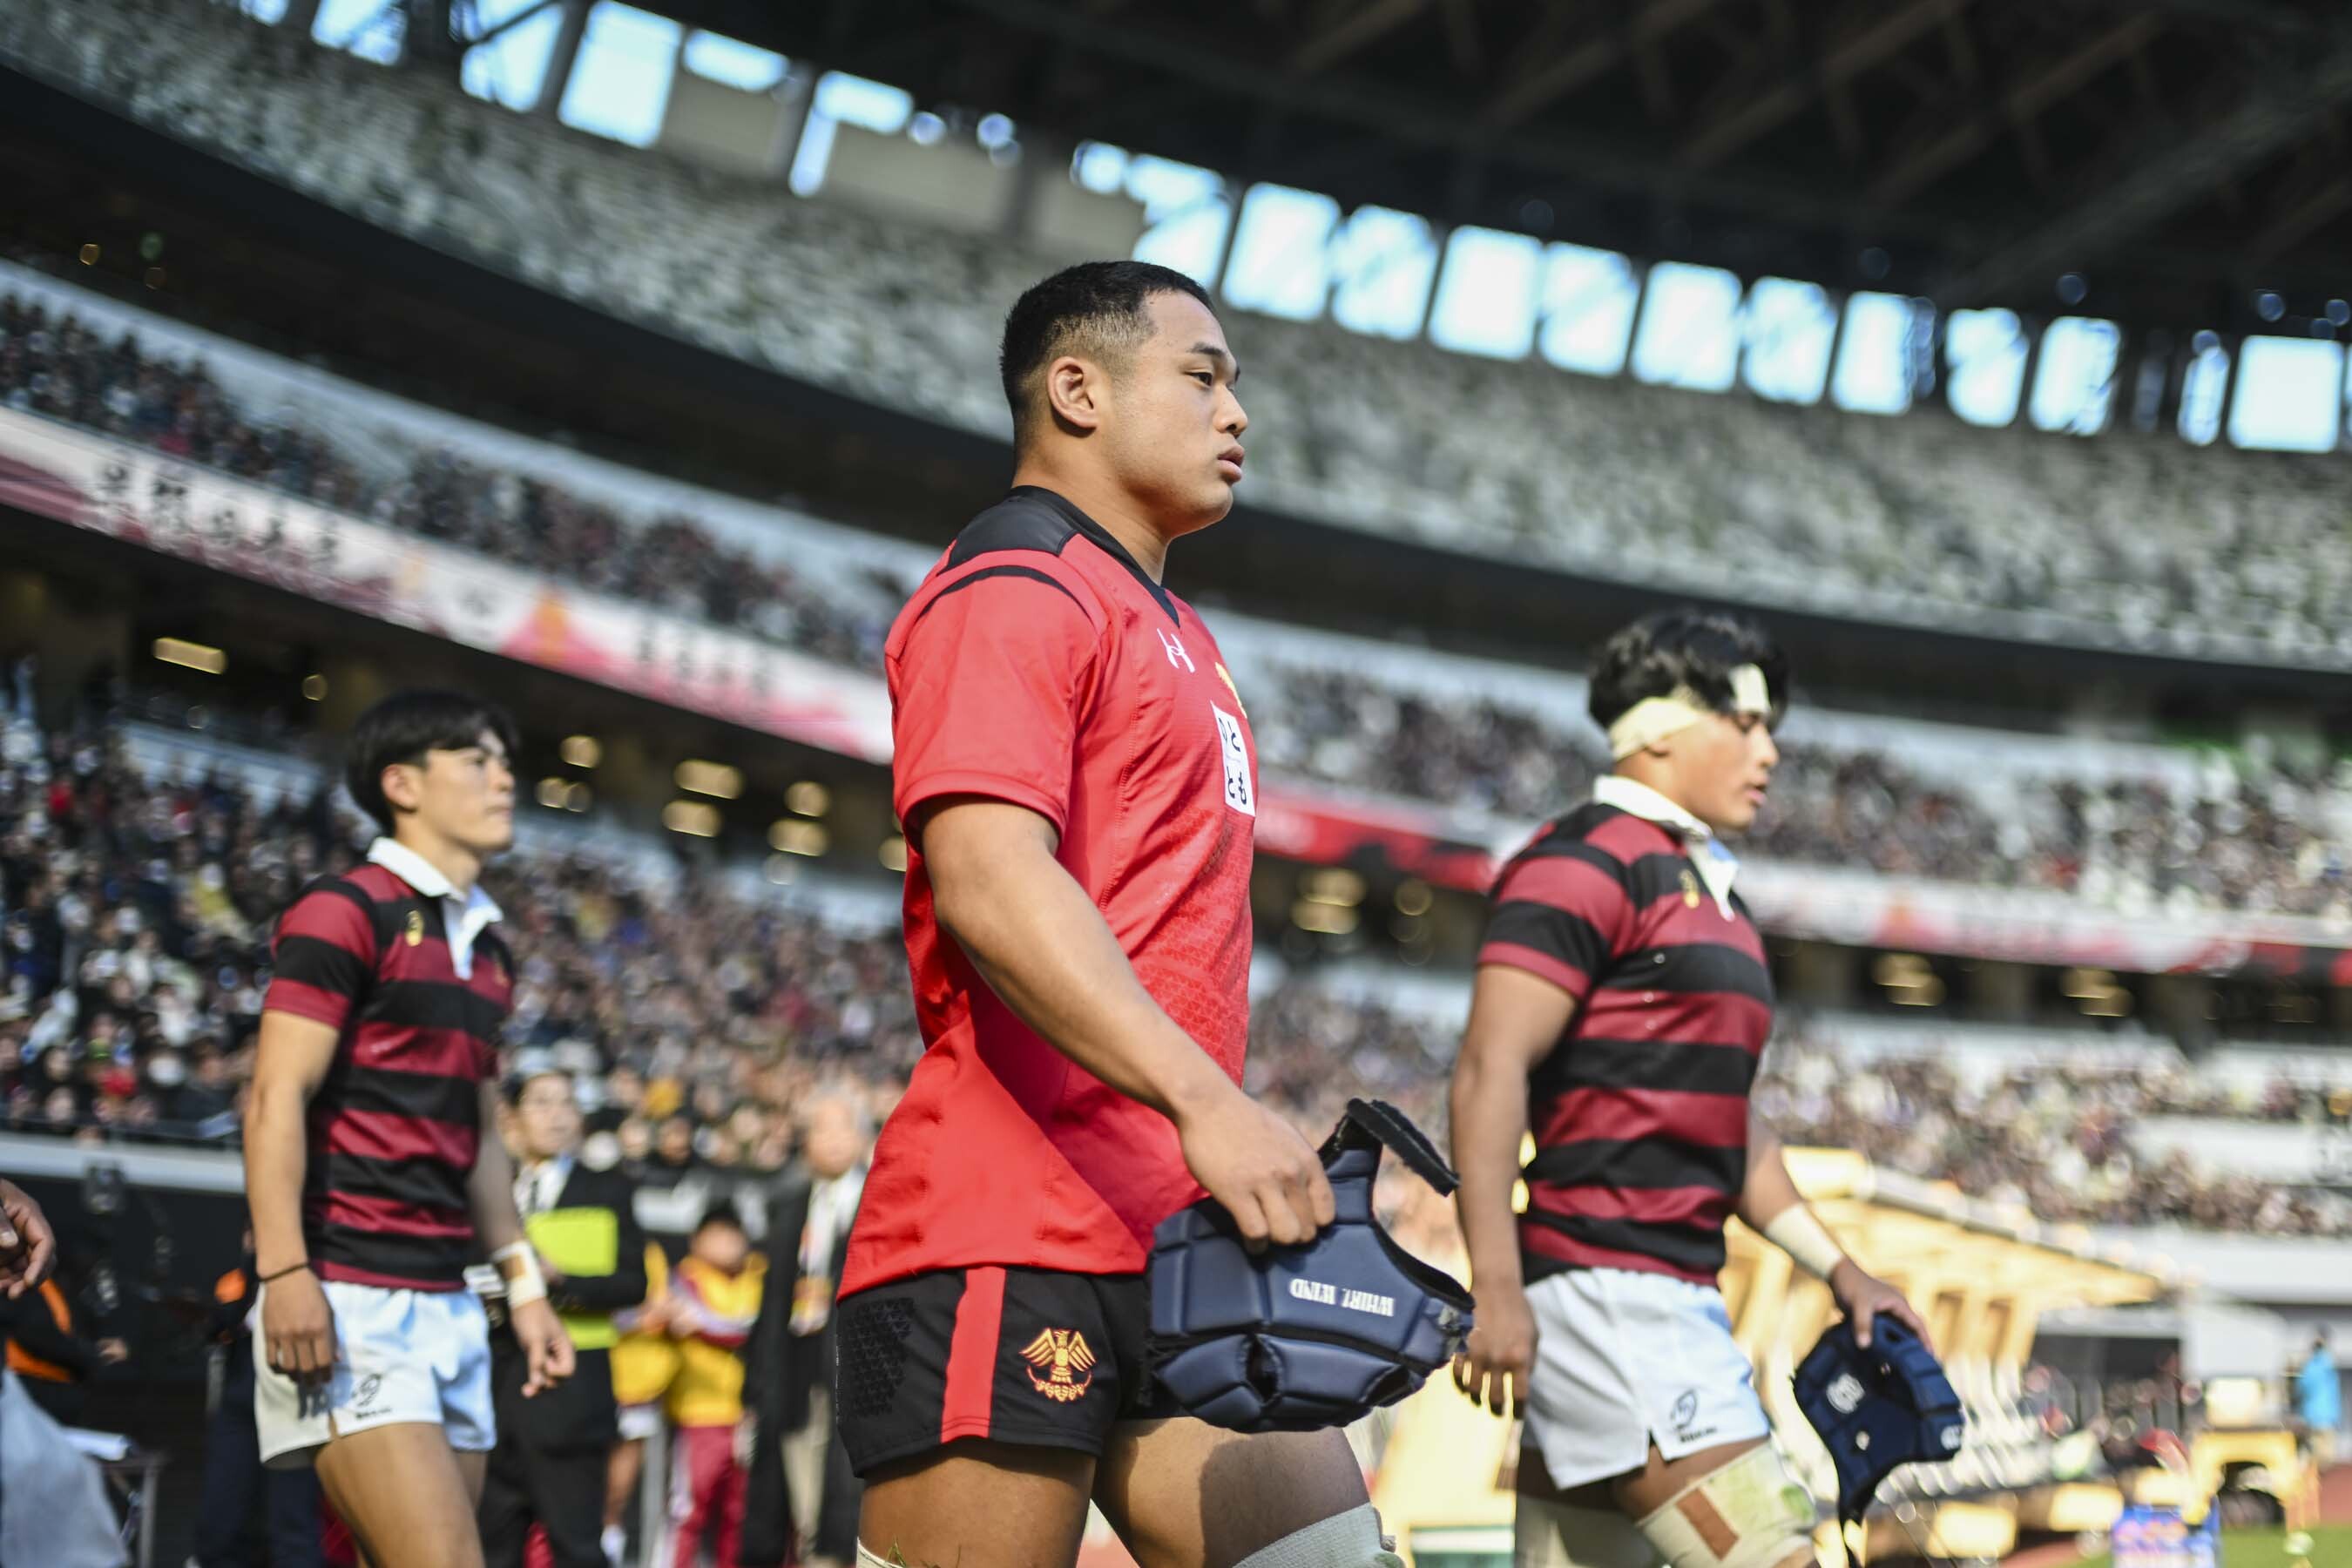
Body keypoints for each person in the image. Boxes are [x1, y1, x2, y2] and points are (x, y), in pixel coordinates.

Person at [832, 260, 1385, 1568]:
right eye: (1203, 377)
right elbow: (988, 877)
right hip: (1007, 1226)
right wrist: (1205, 1099)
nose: (1236, 412)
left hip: (1180, 1230)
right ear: (1077, 391)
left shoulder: (1178, 627)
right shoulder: (1013, 583)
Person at [1449, 609, 1928, 1568]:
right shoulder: (1577, 862)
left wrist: (1841, 1270)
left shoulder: (1719, 897)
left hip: (1665, 1295)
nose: (1769, 752)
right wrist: (1493, 1286)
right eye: (1743, 724)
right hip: (1612, 1297)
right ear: (1660, 731)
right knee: (1777, 1552)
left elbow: (1727, 1122)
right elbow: (1489, 1068)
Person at [242, 690, 574, 1568]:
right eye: (477, 760)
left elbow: (481, 1136)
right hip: (347, 1294)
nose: (504, 779)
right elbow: (275, 1096)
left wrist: (524, 1288)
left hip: (452, 1304)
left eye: (505, 762)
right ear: (402, 784)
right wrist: (285, 1272)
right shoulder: (345, 909)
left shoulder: (491, 951)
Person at [478, 1070, 649, 1568]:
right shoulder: (491, 1189)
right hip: (493, 1397)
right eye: (542, 1102)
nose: (557, 1116)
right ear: (511, 1116)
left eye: (566, 1104)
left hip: (572, 1401)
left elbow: (633, 1284)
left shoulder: (608, 1187)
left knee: (577, 1548)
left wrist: (559, 1281)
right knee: (491, 1550)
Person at [742, 1086, 871, 1568]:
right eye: (821, 1128)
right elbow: (769, 1307)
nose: (833, 1139)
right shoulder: (791, 1206)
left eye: (843, 1127)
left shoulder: (881, 1202)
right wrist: (754, 1390)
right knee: (800, 1507)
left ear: (863, 1138)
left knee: (848, 1513)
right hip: (796, 1379)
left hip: (858, 1382)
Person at [191, 1240, 327, 1568]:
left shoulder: (313, 1262)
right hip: (243, 1396)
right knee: (219, 1525)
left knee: (292, 1526)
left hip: (296, 1399)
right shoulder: (242, 1274)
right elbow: (224, 1323)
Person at [661, 1202, 764, 1568]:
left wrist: (719, 1328)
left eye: (732, 1234)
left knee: (742, 1514)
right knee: (688, 1510)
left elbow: (733, 1325)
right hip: (698, 1415)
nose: (725, 1243)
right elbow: (733, 1326)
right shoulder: (683, 1278)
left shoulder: (761, 1274)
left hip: (750, 1417)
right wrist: (744, 1330)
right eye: (716, 1234)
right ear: (696, 1240)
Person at [1, 1263, 127, 1426]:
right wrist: (93, 1356)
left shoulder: (55, 1280)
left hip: (56, 1387)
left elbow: (67, 1330)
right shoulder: (15, 1281)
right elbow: (40, 1336)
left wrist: (95, 1349)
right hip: (28, 1387)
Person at [2297, 1328, 2340, 1469]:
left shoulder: (2310, 1365)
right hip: (2326, 1417)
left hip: (2312, 1416)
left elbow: (2301, 1387)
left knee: (2313, 1454)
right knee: (2325, 1456)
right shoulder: (2328, 1363)